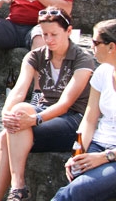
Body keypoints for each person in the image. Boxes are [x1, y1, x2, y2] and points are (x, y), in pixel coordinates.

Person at [0, 7, 95, 201]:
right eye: (44, 34)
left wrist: (34, 119)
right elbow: (19, 90)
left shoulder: (83, 59)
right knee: (16, 113)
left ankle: (8, 193)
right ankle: (16, 188)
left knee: (7, 134)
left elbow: (66, 103)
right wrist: (6, 113)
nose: (49, 39)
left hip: (73, 118)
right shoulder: (35, 56)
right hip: (44, 112)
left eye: (54, 34)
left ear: (68, 31)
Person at [52, 19, 116, 201]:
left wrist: (104, 157)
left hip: (111, 154)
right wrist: (77, 153)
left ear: (111, 46)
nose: (91, 47)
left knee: (74, 192)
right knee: (77, 176)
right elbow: (89, 118)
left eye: (95, 42)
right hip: (99, 144)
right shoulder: (102, 72)